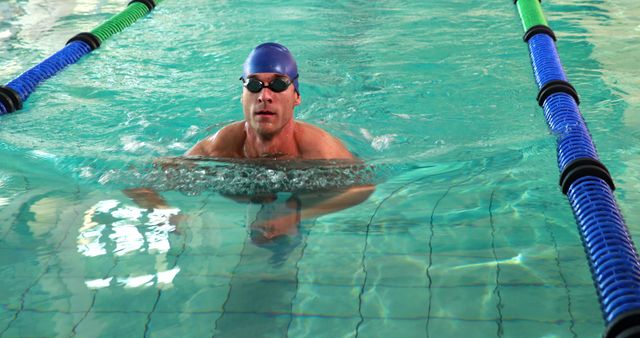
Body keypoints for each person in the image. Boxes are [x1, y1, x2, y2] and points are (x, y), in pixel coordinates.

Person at [126, 42, 374, 241]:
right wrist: (166, 213)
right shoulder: (219, 147)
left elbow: (364, 187)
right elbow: (137, 179)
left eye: (278, 84)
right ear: (242, 97)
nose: (264, 96)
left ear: (296, 97)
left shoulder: (319, 148)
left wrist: (299, 217)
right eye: (254, 85)